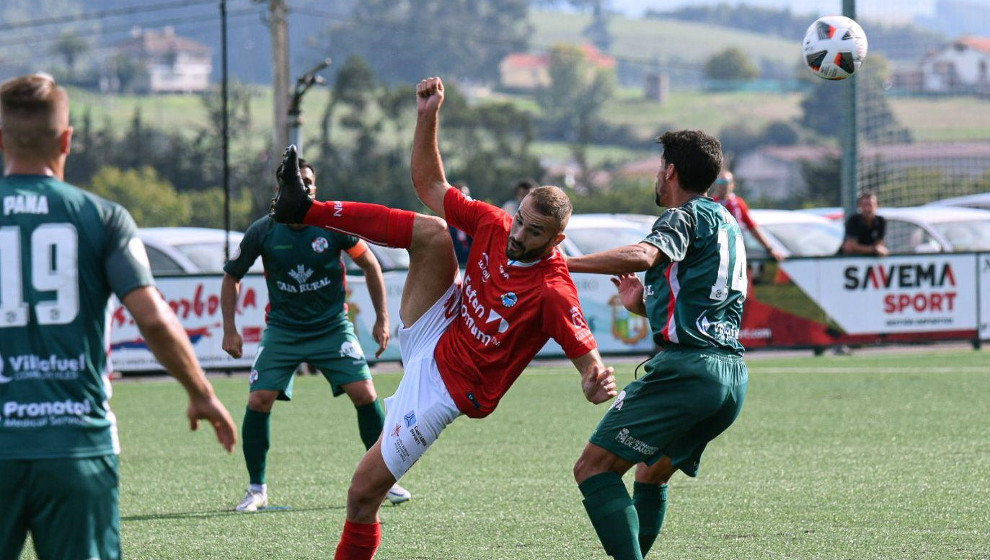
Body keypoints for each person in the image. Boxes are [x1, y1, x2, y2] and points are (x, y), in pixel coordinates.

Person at [269, 76, 617, 560]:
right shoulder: (496, 224)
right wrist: (428, 116)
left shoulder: (553, 291)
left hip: (449, 389)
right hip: (440, 327)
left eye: (535, 233)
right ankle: (305, 210)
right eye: (519, 221)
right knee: (434, 232)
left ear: (555, 241)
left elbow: (589, 363)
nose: (518, 235)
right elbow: (431, 185)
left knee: (361, 496)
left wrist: (594, 382)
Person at [0, 73, 237, 560]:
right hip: (75, 445)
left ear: (1, 140)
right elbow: (153, 320)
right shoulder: (102, 217)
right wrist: (203, 394)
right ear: (67, 140)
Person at [567, 130, 749, 560]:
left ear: (669, 171)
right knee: (650, 476)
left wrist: (561, 261)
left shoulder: (681, 215)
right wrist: (642, 306)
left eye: (658, 167)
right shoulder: (727, 222)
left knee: (592, 469)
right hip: (731, 378)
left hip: (688, 372)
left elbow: (646, 256)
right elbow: (708, 303)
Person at [222, 157, 411, 512]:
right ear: (281, 189)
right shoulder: (262, 231)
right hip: (283, 329)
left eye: (310, 182)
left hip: (331, 328)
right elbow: (232, 276)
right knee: (258, 400)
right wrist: (230, 330)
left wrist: (383, 320)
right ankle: (256, 489)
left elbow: (370, 265)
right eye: (298, 182)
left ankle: (386, 482)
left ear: (315, 189)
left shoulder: (333, 226)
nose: (304, 187)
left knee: (366, 393)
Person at [711, 169, 785, 261]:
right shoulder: (711, 204)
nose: (723, 185)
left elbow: (752, 227)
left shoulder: (738, 203)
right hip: (716, 253)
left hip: (736, 250)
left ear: (732, 185)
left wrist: (770, 249)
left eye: (726, 182)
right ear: (715, 184)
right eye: (720, 181)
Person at [840, 191, 887, 256]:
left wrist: (877, 249)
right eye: (864, 205)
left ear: (877, 206)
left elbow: (879, 244)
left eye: (870, 205)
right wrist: (873, 249)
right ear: (859, 206)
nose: (867, 209)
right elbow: (850, 247)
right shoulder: (853, 220)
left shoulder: (881, 221)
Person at [447, 183, 473, 266]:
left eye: (466, 196)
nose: (464, 201)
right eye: (460, 197)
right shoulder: (446, 223)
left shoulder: (476, 222)